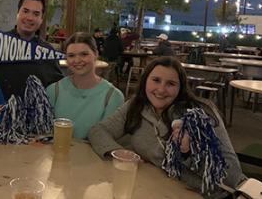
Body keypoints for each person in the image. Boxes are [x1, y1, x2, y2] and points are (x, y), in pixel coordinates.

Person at [88, 57, 245, 198]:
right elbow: (98, 131)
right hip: (159, 189)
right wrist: (118, 152)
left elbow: (232, 176)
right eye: (156, 80)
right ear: (145, 81)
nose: (161, 90)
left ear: (180, 88)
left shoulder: (200, 114)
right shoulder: (135, 106)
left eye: (170, 84)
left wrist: (188, 153)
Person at [0, 0, 63, 99]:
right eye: (25, 11)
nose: (29, 18)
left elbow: (57, 88)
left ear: (41, 19)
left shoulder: (47, 52)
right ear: (18, 13)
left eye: (36, 14)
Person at [46, 32, 124, 139]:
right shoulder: (53, 91)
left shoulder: (113, 97)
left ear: (96, 54)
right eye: (71, 56)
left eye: (84, 54)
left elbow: (108, 140)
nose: (77, 60)